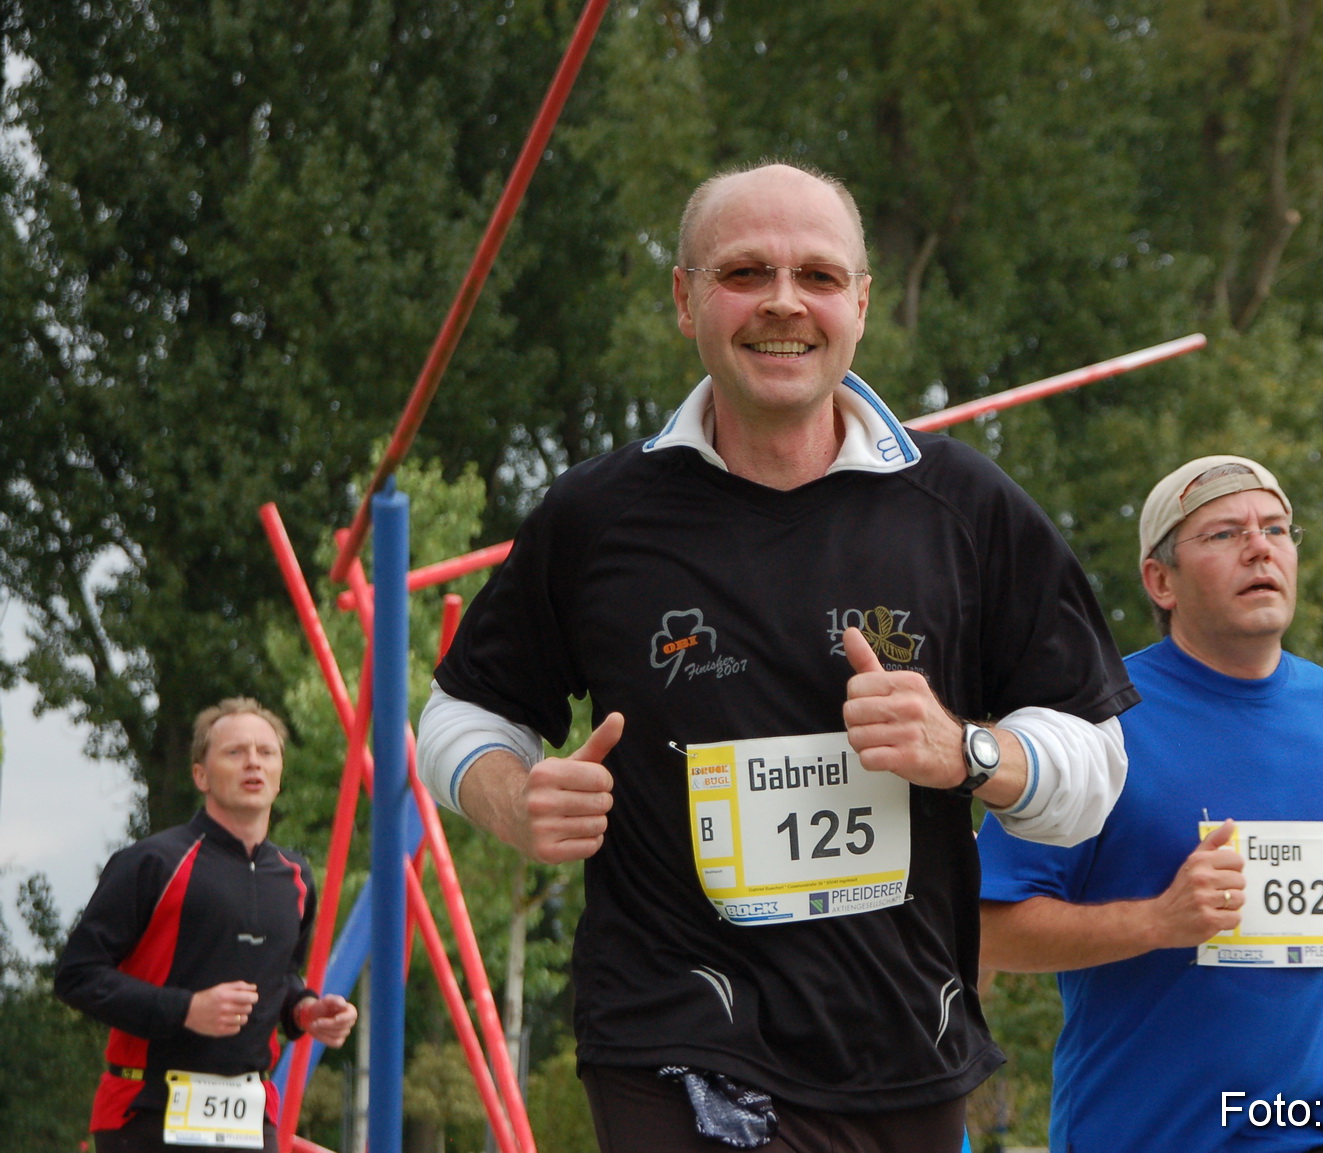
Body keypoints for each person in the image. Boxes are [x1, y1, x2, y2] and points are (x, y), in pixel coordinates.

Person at [416, 160, 1139, 1150]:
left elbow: (1097, 769)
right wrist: (512, 794)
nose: (783, 304)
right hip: (672, 1034)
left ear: (862, 304)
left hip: (902, 1039)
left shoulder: (966, 510)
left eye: (819, 277)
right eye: (745, 273)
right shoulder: (598, 516)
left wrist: (968, 751)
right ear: (684, 299)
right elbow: (459, 714)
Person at [977, 455, 1323, 1152]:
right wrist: (1157, 920)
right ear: (1160, 580)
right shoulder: (1095, 724)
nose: (1259, 546)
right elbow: (984, 927)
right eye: (1222, 534)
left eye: (1276, 528)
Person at [55, 698, 357, 1153]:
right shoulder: (152, 862)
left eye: (266, 752)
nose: (253, 761)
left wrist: (304, 1010)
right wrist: (186, 1010)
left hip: (251, 1117)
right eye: (234, 752)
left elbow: (280, 980)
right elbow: (76, 977)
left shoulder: (295, 877)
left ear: (279, 774)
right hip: (147, 1111)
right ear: (201, 775)